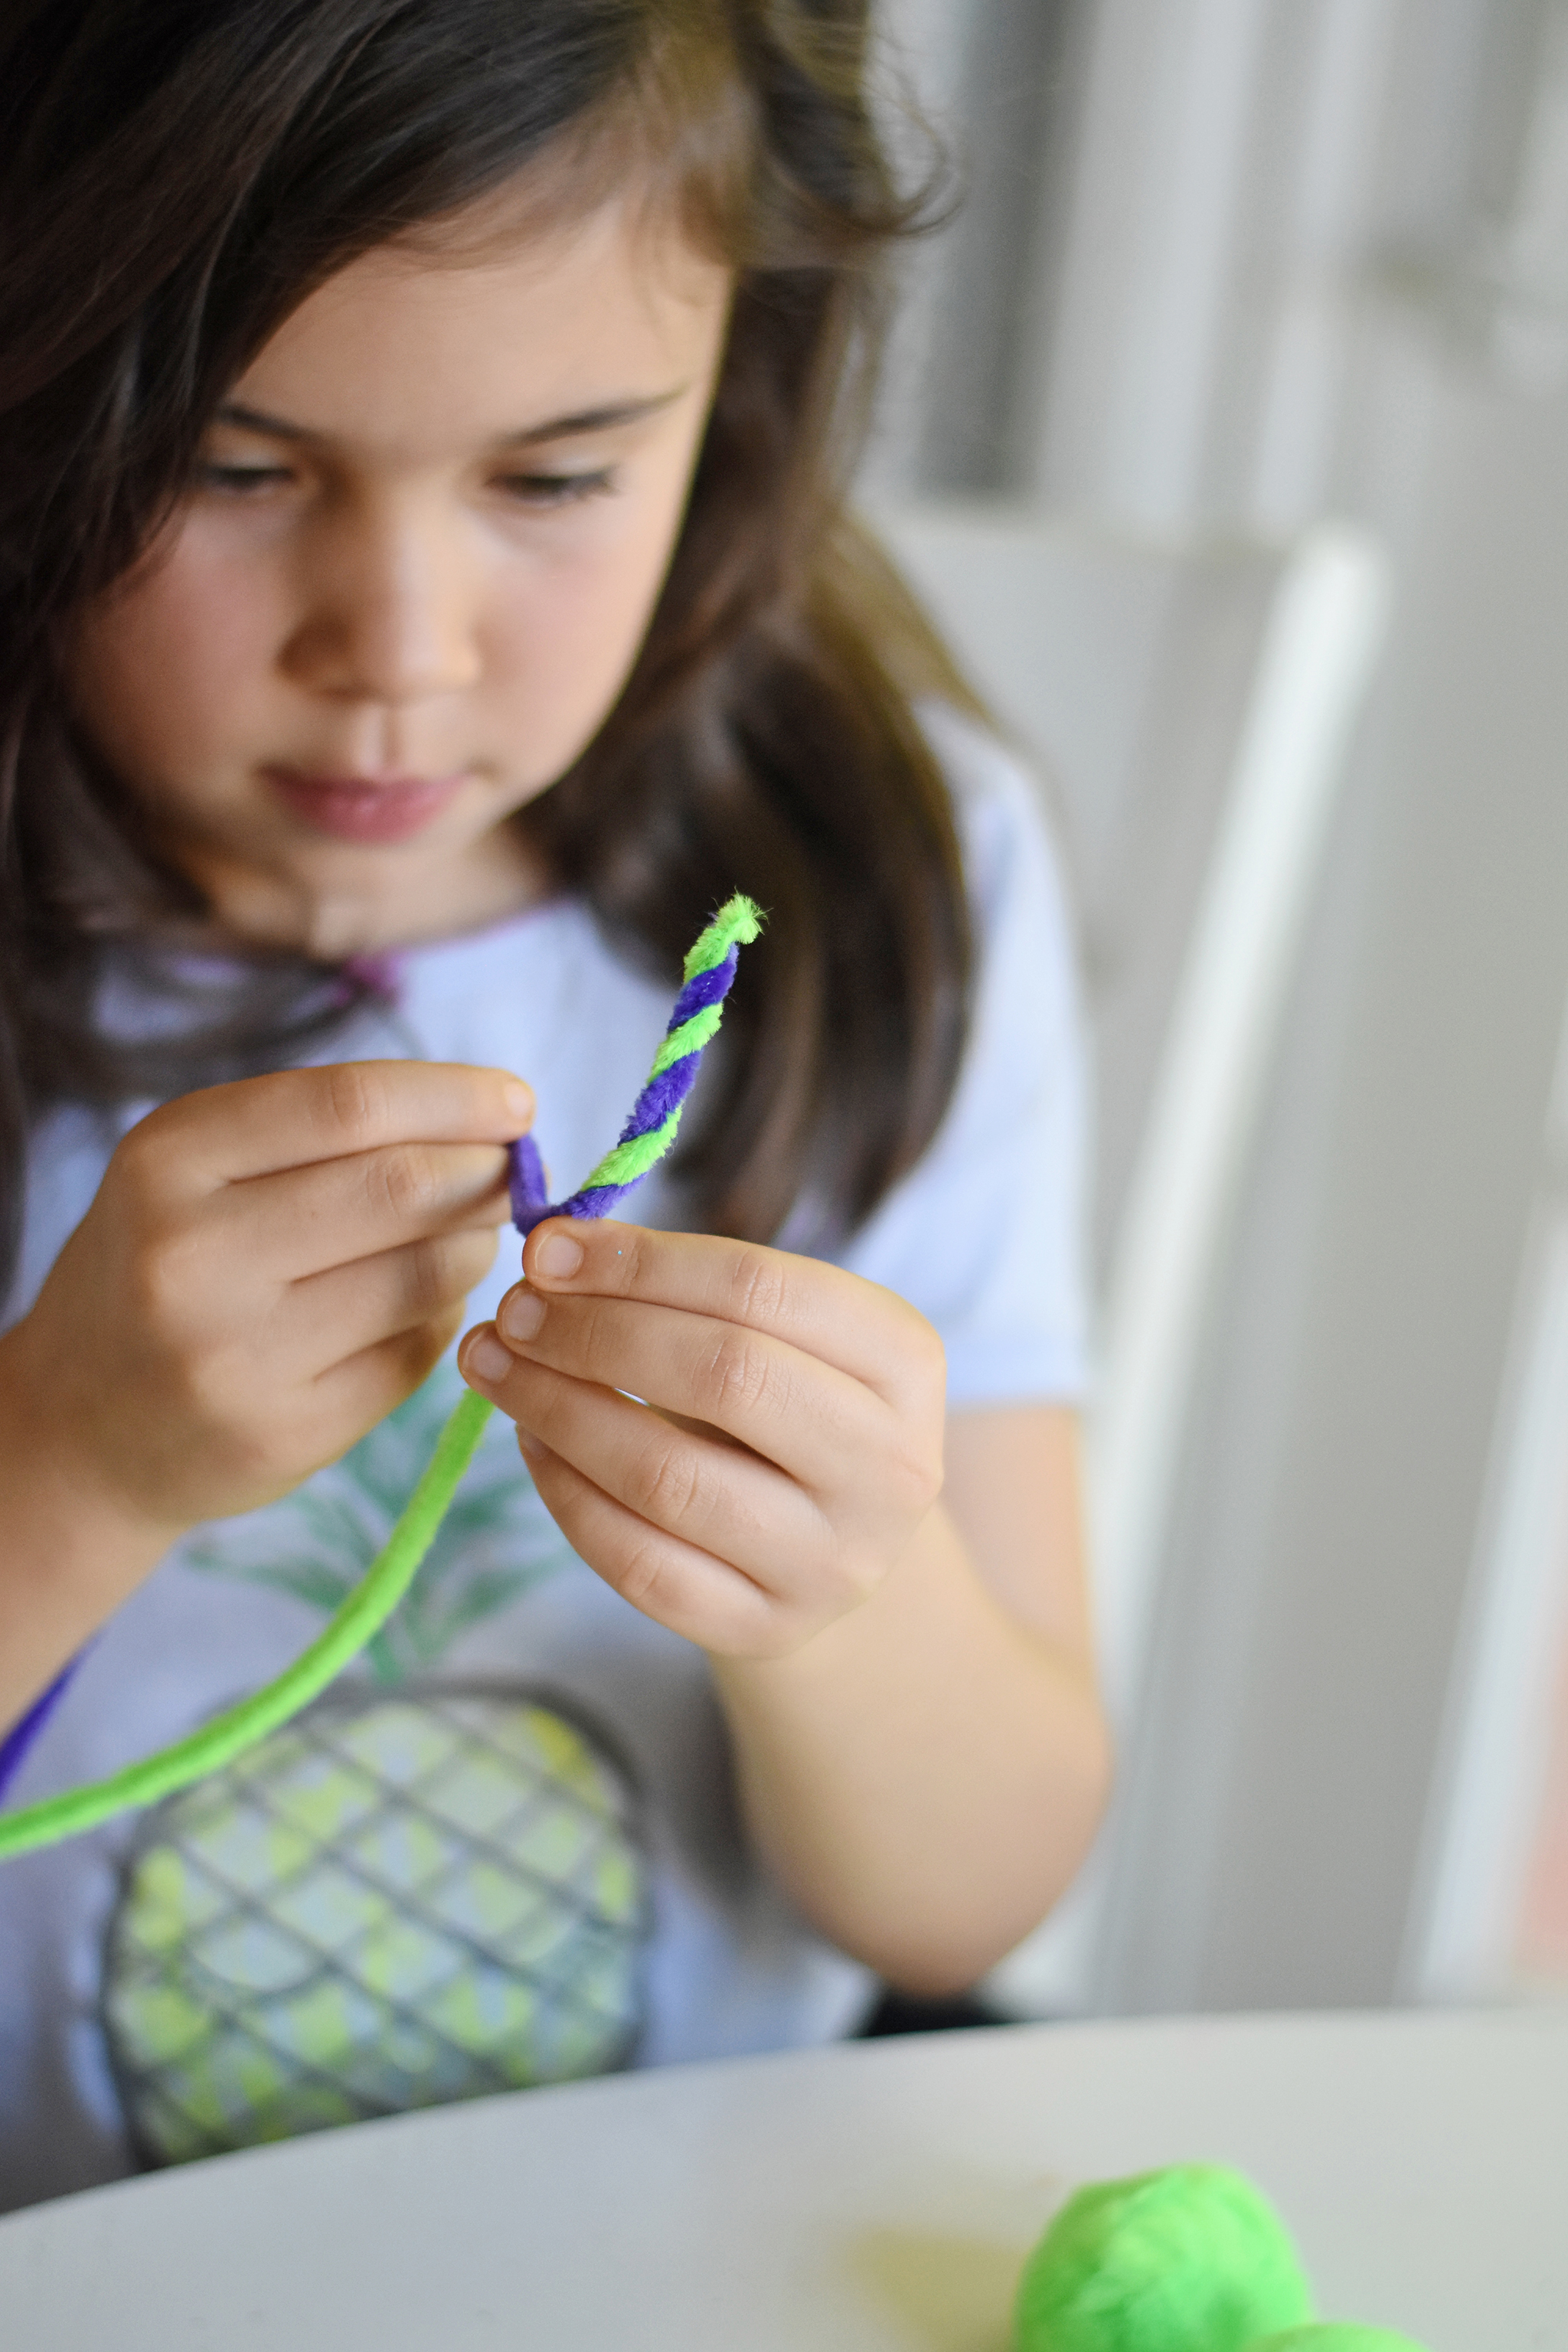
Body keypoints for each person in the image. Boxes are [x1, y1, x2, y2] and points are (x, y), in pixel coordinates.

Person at [0, 0, 1111, 2207]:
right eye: (235, 467)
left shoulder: (888, 881)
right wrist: (69, 1463)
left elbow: (970, 1903)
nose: (397, 645)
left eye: (555, 476)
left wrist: (847, 1598)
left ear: (746, 394)